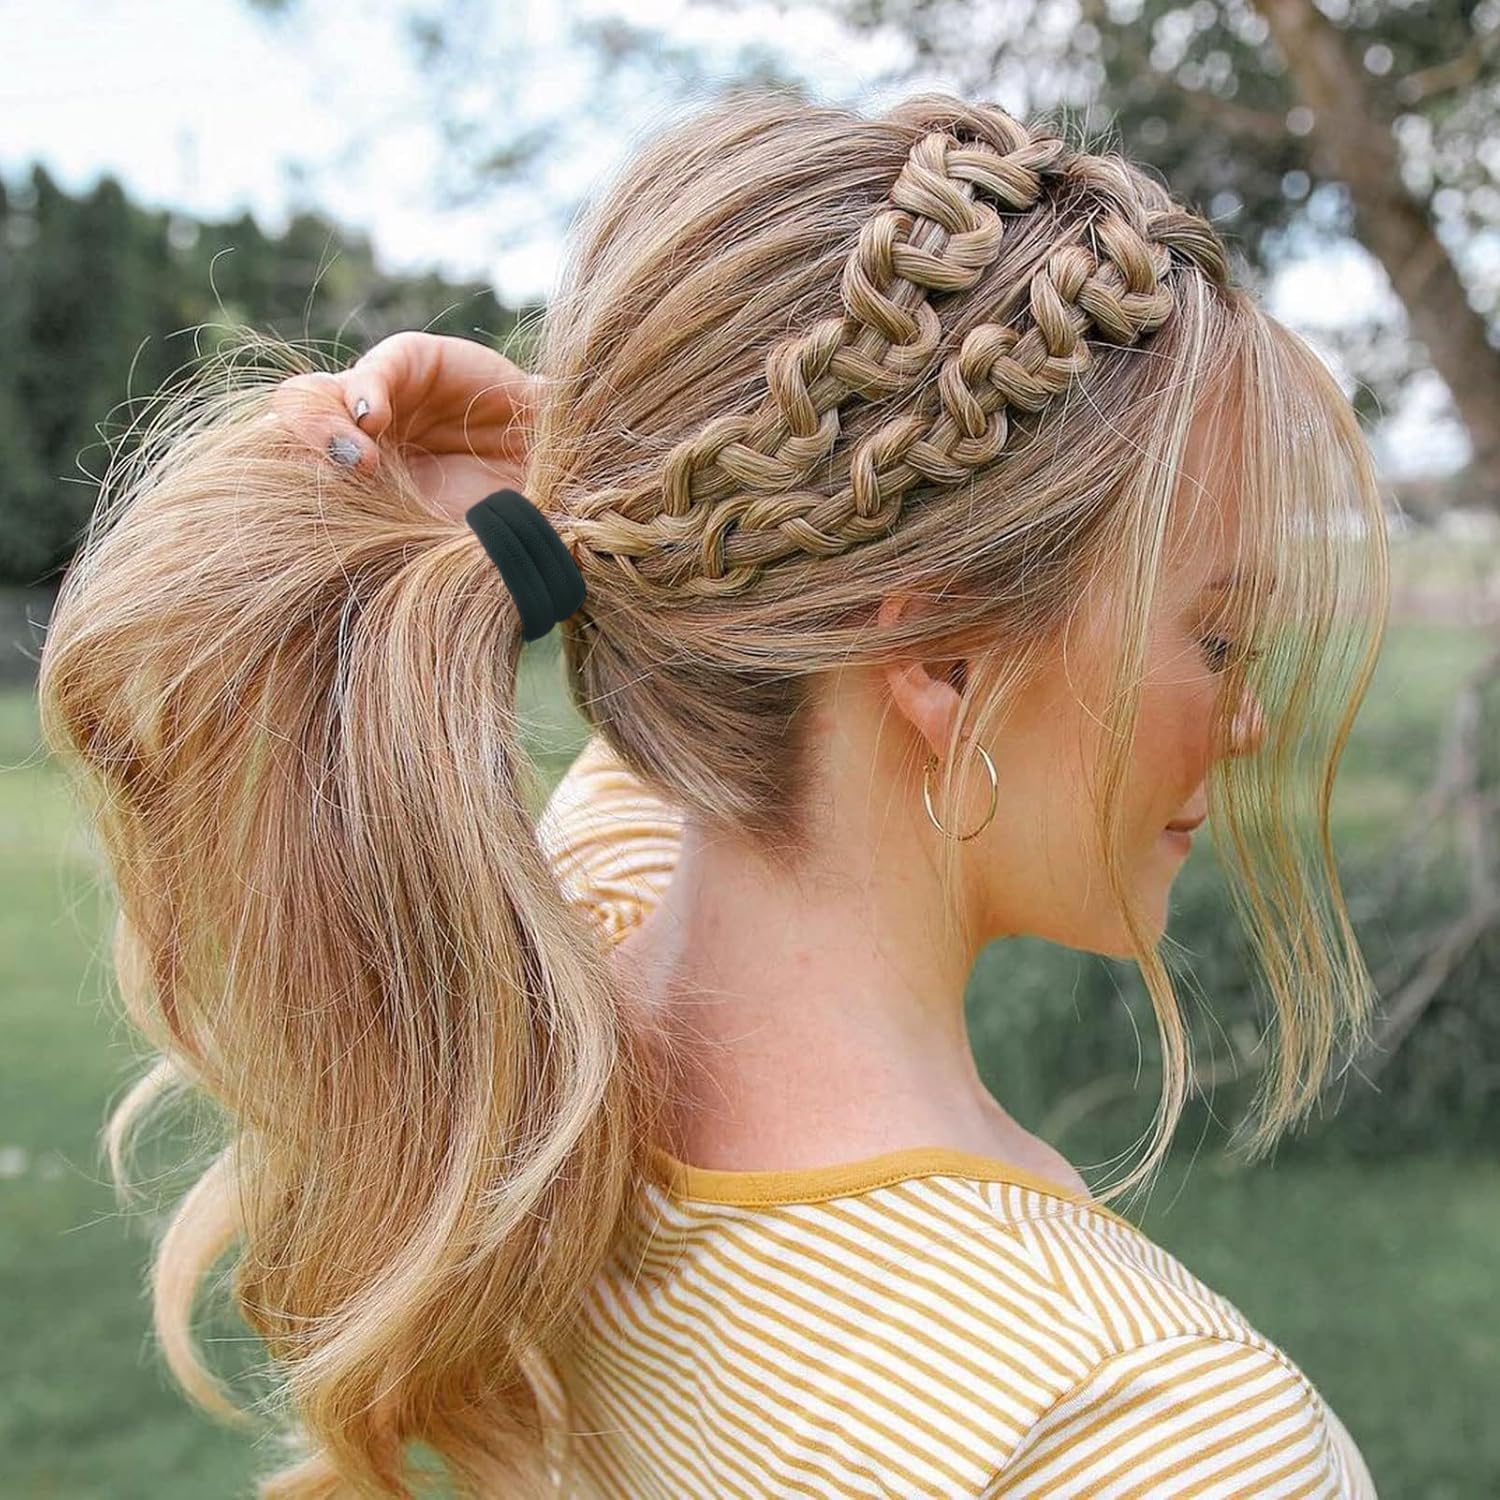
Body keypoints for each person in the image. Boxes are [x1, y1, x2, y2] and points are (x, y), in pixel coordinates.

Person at [37, 90, 1387, 1497]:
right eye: (1216, 637)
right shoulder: (1143, 1430)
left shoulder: (573, 1009)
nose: (1243, 719)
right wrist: (676, 487)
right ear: (939, 659)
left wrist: (649, 495)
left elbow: (735, 655)